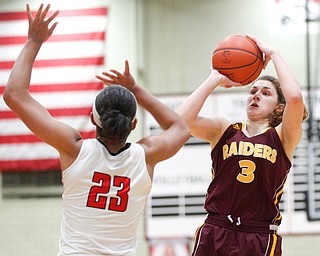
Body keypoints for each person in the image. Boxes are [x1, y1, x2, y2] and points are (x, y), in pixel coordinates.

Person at [3, 4, 190, 256]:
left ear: (93, 119)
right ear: (133, 124)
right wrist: (136, 90)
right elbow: (180, 127)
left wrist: (34, 41)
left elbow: (14, 94)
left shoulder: (73, 148)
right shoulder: (146, 155)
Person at [177, 35, 308, 256]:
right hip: (215, 229)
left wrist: (275, 53)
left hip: (258, 236)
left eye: (265, 93)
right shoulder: (224, 130)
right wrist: (214, 79)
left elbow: (295, 98)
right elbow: (179, 121)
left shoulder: (282, 137)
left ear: (279, 108)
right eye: (253, 91)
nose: (256, 95)